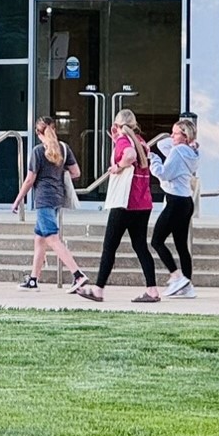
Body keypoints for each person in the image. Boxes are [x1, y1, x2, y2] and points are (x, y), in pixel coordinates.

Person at [85, 109, 157, 303]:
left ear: (115, 127)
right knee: (140, 245)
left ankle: (98, 289)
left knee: (109, 246)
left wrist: (118, 166)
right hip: (143, 203)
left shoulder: (124, 141)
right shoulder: (141, 141)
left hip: (124, 202)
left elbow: (129, 155)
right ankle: (152, 289)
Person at [10, 115, 86, 293]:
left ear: (38, 133)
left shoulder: (38, 151)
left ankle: (78, 275)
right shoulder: (64, 149)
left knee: (52, 239)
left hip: (44, 199)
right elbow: (76, 173)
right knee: (40, 240)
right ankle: (33, 280)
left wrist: (17, 200)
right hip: (57, 197)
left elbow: (30, 179)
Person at [150, 118, 200, 298]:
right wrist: (180, 140)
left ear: (185, 136)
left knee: (156, 240)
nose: (171, 136)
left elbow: (164, 174)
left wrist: (153, 159)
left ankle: (177, 276)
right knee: (181, 245)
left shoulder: (178, 151)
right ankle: (187, 284)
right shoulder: (191, 152)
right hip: (186, 201)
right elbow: (165, 144)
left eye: (175, 133)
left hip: (175, 201)